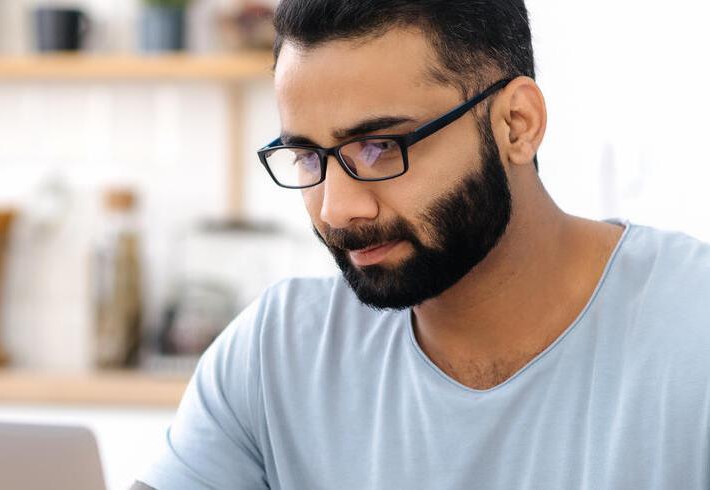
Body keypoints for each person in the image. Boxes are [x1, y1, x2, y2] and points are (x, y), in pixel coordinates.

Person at [135, 1, 710, 488]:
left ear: (517, 124)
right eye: (309, 157)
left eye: (380, 146)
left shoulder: (692, 330)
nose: (337, 208)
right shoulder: (274, 354)